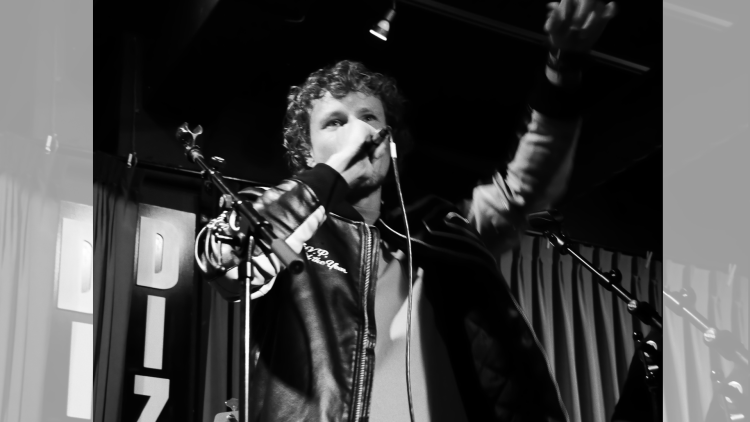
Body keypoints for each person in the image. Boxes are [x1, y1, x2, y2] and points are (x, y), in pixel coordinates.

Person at [197, 1, 617, 420]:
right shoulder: (280, 225)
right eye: (335, 122)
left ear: (390, 142)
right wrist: (332, 173)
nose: (359, 131)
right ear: (307, 152)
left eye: (369, 117)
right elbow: (228, 261)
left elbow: (525, 187)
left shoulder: (439, 228)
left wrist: (563, 70)